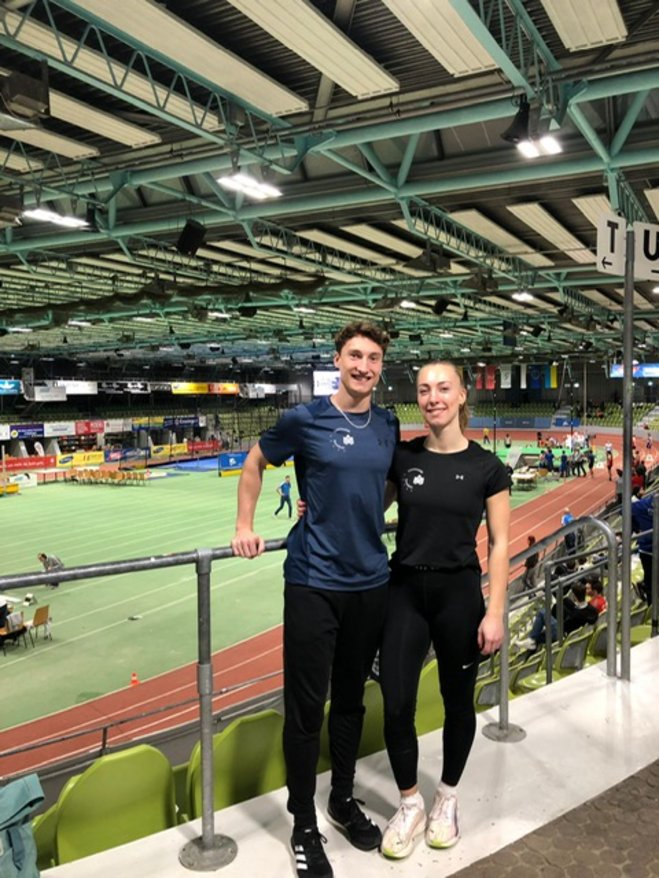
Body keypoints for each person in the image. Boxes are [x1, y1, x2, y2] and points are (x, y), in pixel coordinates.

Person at [231, 321, 398, 878]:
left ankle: (341, 800)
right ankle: (303, 822)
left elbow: (383, 485)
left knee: (351, 701)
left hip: (370, 582)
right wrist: (244, 525)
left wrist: (353, 506)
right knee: (306, 710)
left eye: (373, 358)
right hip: (313, 583)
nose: (364, 366)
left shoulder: (387, 424)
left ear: (380, 366)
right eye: (355, 355)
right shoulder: (305, 419)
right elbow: (254, 461)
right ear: (338, 359)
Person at [378, 361, 510, 860]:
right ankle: (410, 802)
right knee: (396, 702)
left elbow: (499, 544)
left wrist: (494, 611)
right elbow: (370, 508)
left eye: (442, 388)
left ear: (461, 396)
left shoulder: (487, 468)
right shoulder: (403, 458)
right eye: (424, 389)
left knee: (458, 703)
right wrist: (317, 506)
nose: (432, 397)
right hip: (405, 592)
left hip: (459, 596)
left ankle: (447, 797)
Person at [631, 492, 654, 605]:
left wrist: (636, 528)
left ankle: (651, 604)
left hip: (646, 550)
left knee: (650, 581)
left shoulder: (643, 504)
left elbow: (624, 511)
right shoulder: (643, 504)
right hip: (647, 550)